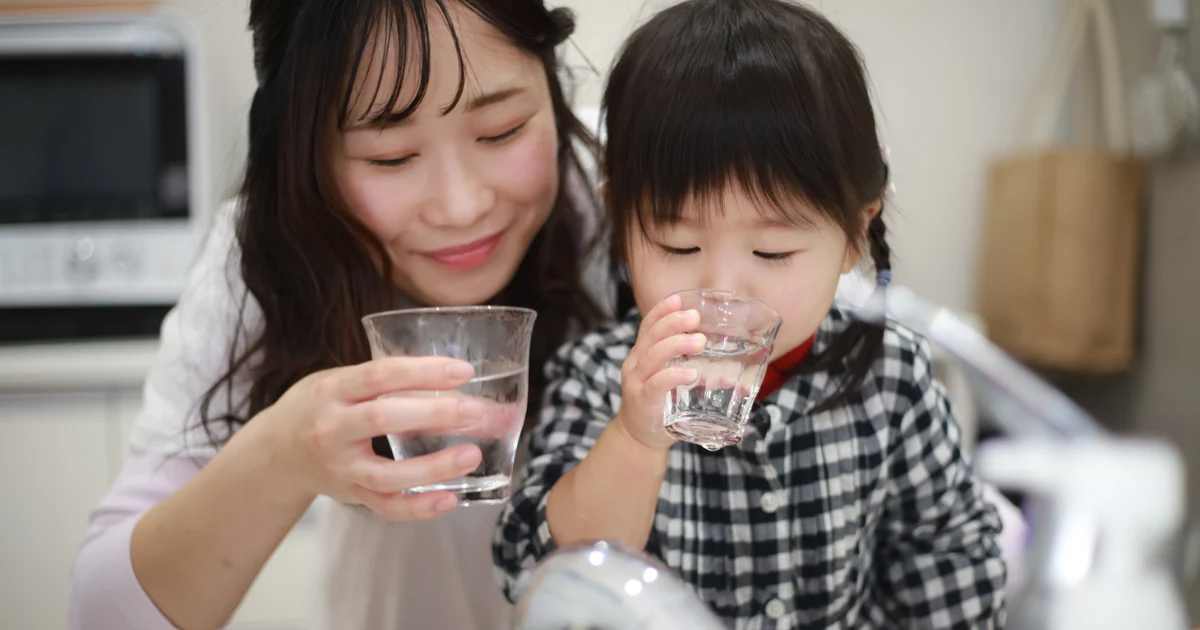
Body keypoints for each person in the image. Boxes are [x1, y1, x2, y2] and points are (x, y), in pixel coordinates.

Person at [67, 1, 614, 629]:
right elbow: (102, 613)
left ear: (552, 88)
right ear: (307, 160)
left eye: (502, 131)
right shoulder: (266, 255)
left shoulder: (633, 200)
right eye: (390, 157)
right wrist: (282, 455)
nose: (461, 207)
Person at [494, 0, 1009, 627]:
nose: (723, 288)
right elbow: (542, 570)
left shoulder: (893, 377)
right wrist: (633, 438)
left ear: (854, 233)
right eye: (679, 246)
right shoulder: (598, 375)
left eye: (773, 250)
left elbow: (950, 564)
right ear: (622, 223)